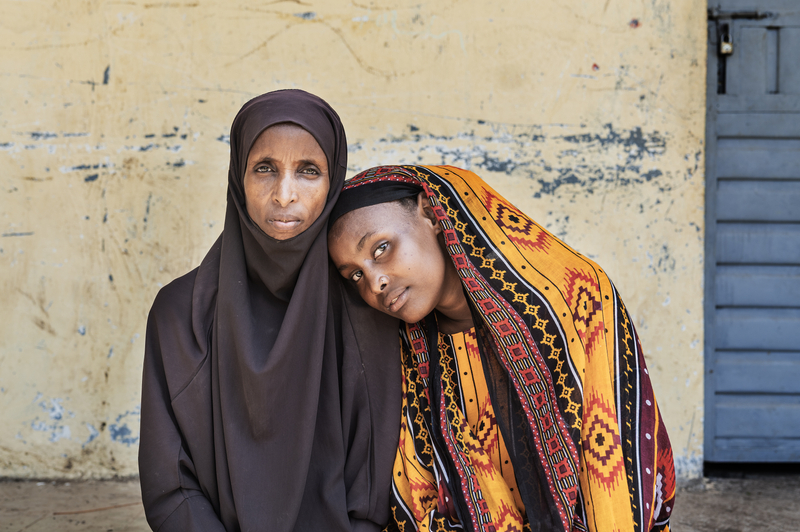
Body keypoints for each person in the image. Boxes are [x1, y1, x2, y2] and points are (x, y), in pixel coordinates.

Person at [328, 165, 676, 532]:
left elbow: (615, 479)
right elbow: (414, 489)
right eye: (354, 274)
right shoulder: (407, 348)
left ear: (430, 212)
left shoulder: (573, 301)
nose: (375, 282)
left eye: (381, 248)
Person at [139, 90, 401, 532]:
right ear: (237, 178)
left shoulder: (366, 310)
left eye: (308, 171)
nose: (284, 195)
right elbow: (170, 487)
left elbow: (374, 494)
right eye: (264, 168)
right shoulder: (180, 315)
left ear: (333, 181)